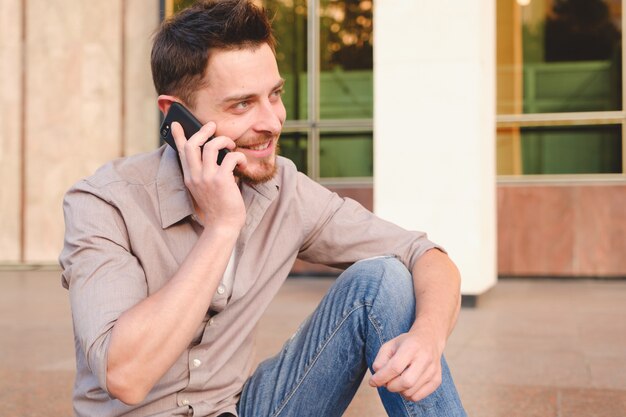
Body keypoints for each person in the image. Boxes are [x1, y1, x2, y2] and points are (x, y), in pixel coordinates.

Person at [59, 1, 467, 416]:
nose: (272, 121)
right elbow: (126, 377)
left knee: (382, 280)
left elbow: (427, 256)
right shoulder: (104, 203)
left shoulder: (282, 189)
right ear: (176, 116)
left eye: (274, 95)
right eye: (242, 104)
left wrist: (428, 338)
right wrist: (222, 226)